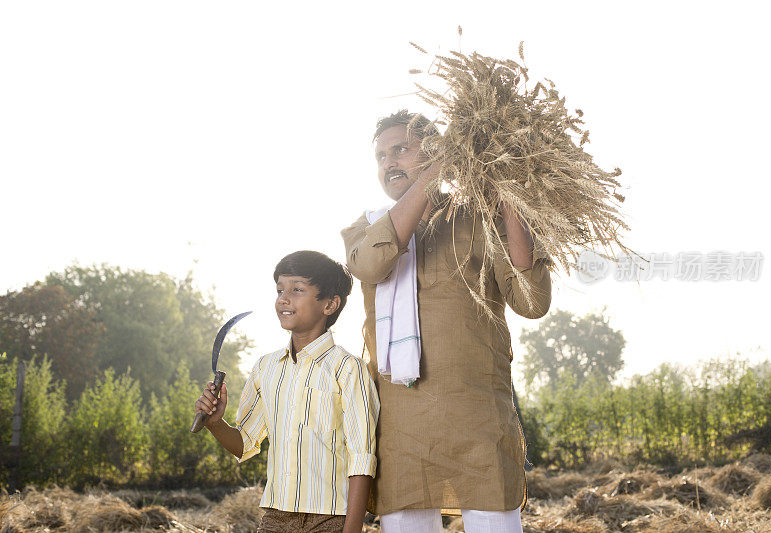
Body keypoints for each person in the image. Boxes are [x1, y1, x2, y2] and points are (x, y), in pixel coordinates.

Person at [341, 110, 552, 533]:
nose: (389, 163)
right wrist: (435, 172)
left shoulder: (482, 219)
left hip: (479, 420)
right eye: (381, 156)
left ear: (437, 150)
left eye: (401, 149)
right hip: (401, 427)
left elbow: (532, 302)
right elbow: (371, 266)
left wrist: (508, 195)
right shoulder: (366, 228)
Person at [194, 250, 379, 533]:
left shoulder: (348, 369)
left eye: (297, 289)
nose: (283, 298)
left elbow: (361, 457)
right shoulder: (265, 368)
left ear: (330, 304)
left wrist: (352, 529)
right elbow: (244, 444)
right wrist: (216, 424)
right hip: (274, 519)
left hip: (330, 519)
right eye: (280, 289)